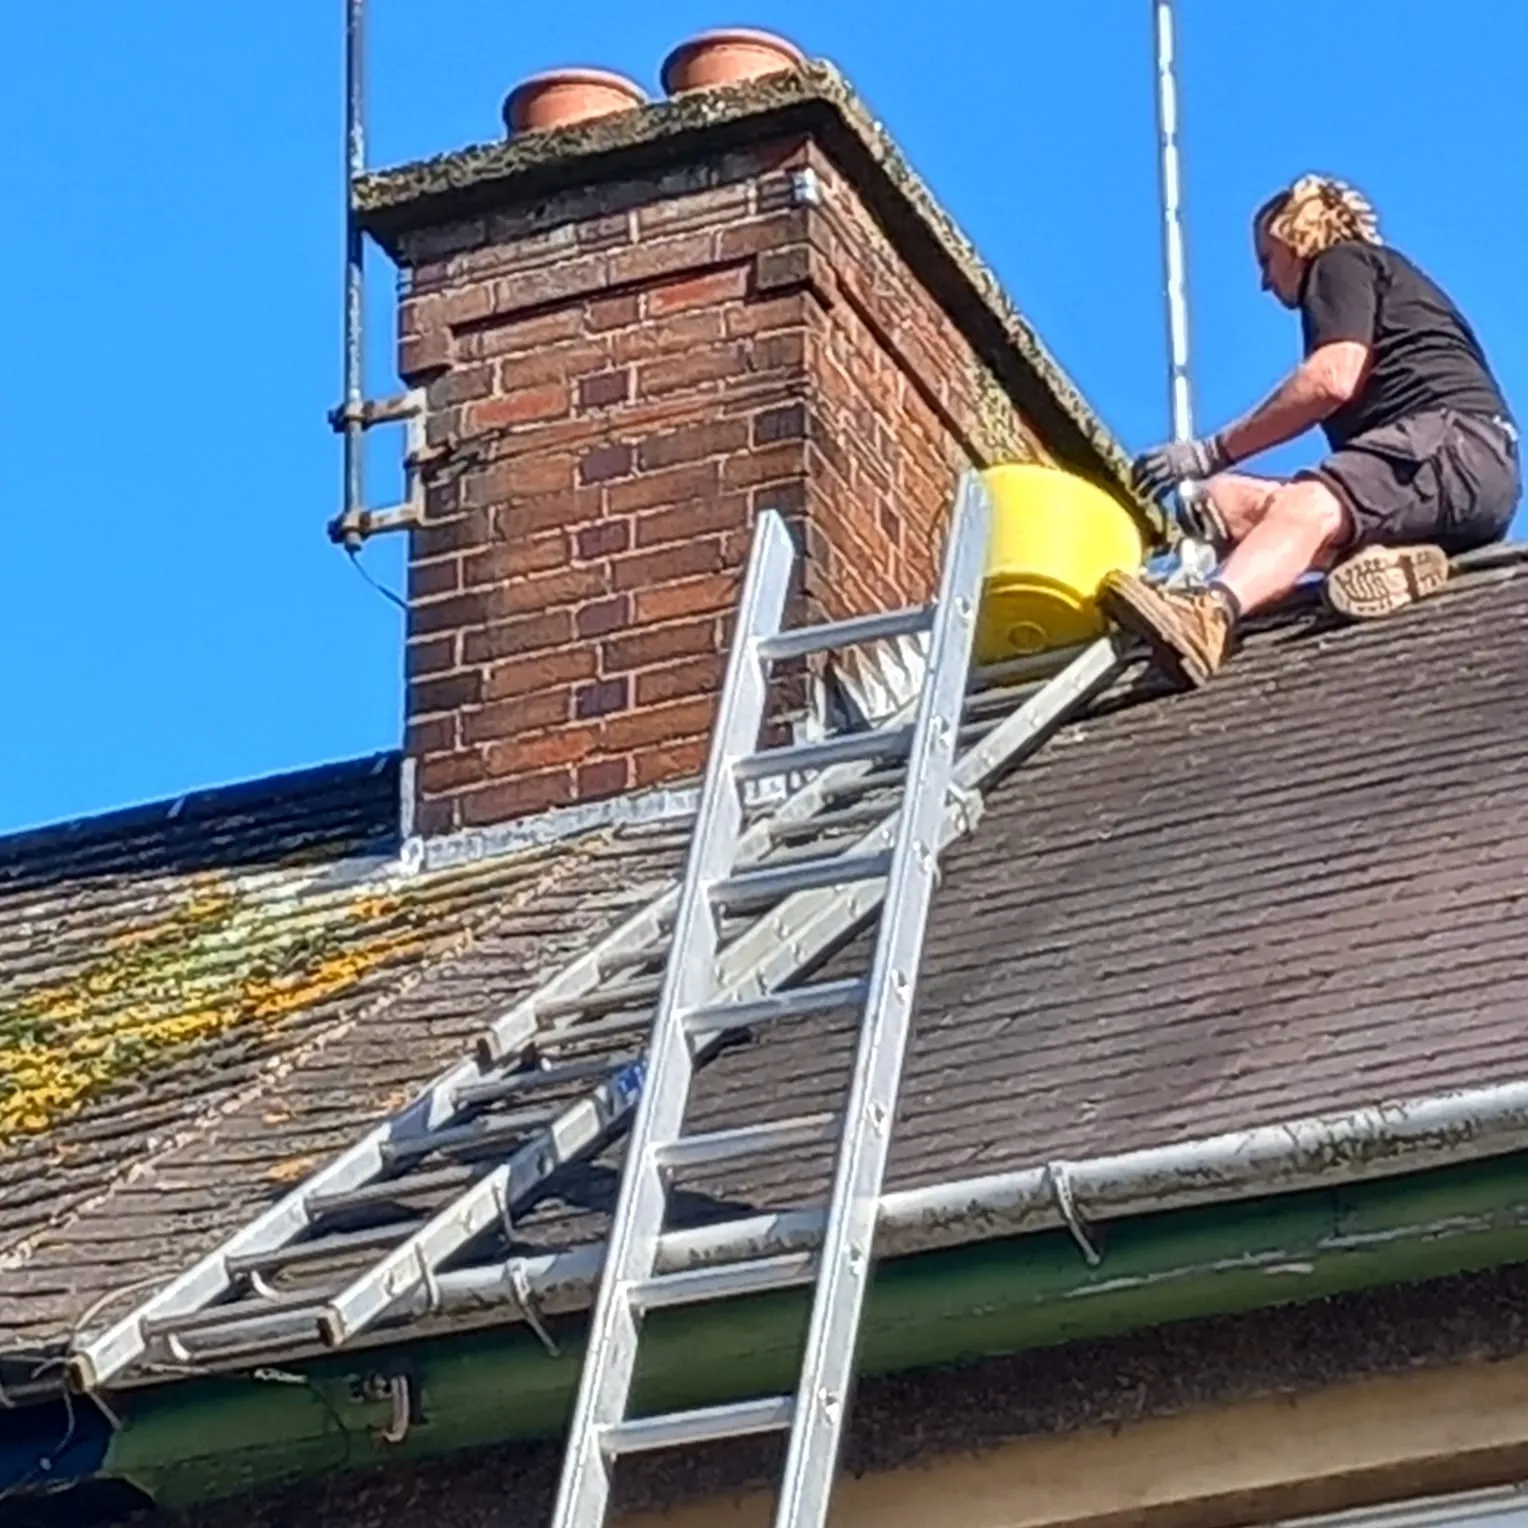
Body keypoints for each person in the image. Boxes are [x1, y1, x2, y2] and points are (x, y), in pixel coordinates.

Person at [1100, 173, 1520, 687]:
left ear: (1294, 235)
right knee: (1226, 503)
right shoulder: (1377, 278)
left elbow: (1331, 378)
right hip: (1459, 477)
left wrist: (1209, 452)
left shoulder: (1340, 262)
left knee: (1310, 503)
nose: (1263, 281)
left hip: (1449, 446)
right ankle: (1390, 561)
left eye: (1266, 259)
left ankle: (1209, 614)